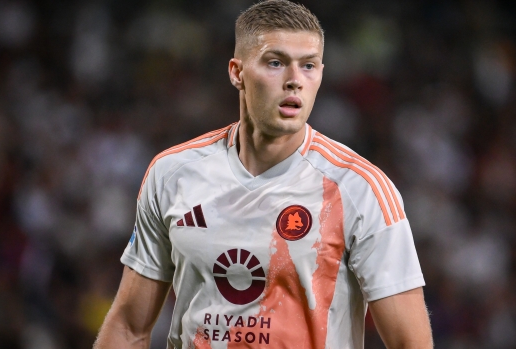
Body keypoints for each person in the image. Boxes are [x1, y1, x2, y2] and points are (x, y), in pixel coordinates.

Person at [94, 1, 433, 348]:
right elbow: (128, 326)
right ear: (237, 72)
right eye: (276, 63)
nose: (294, 82)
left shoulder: (359, 190)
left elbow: (412, 343)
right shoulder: (172, 174)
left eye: (309, 66)